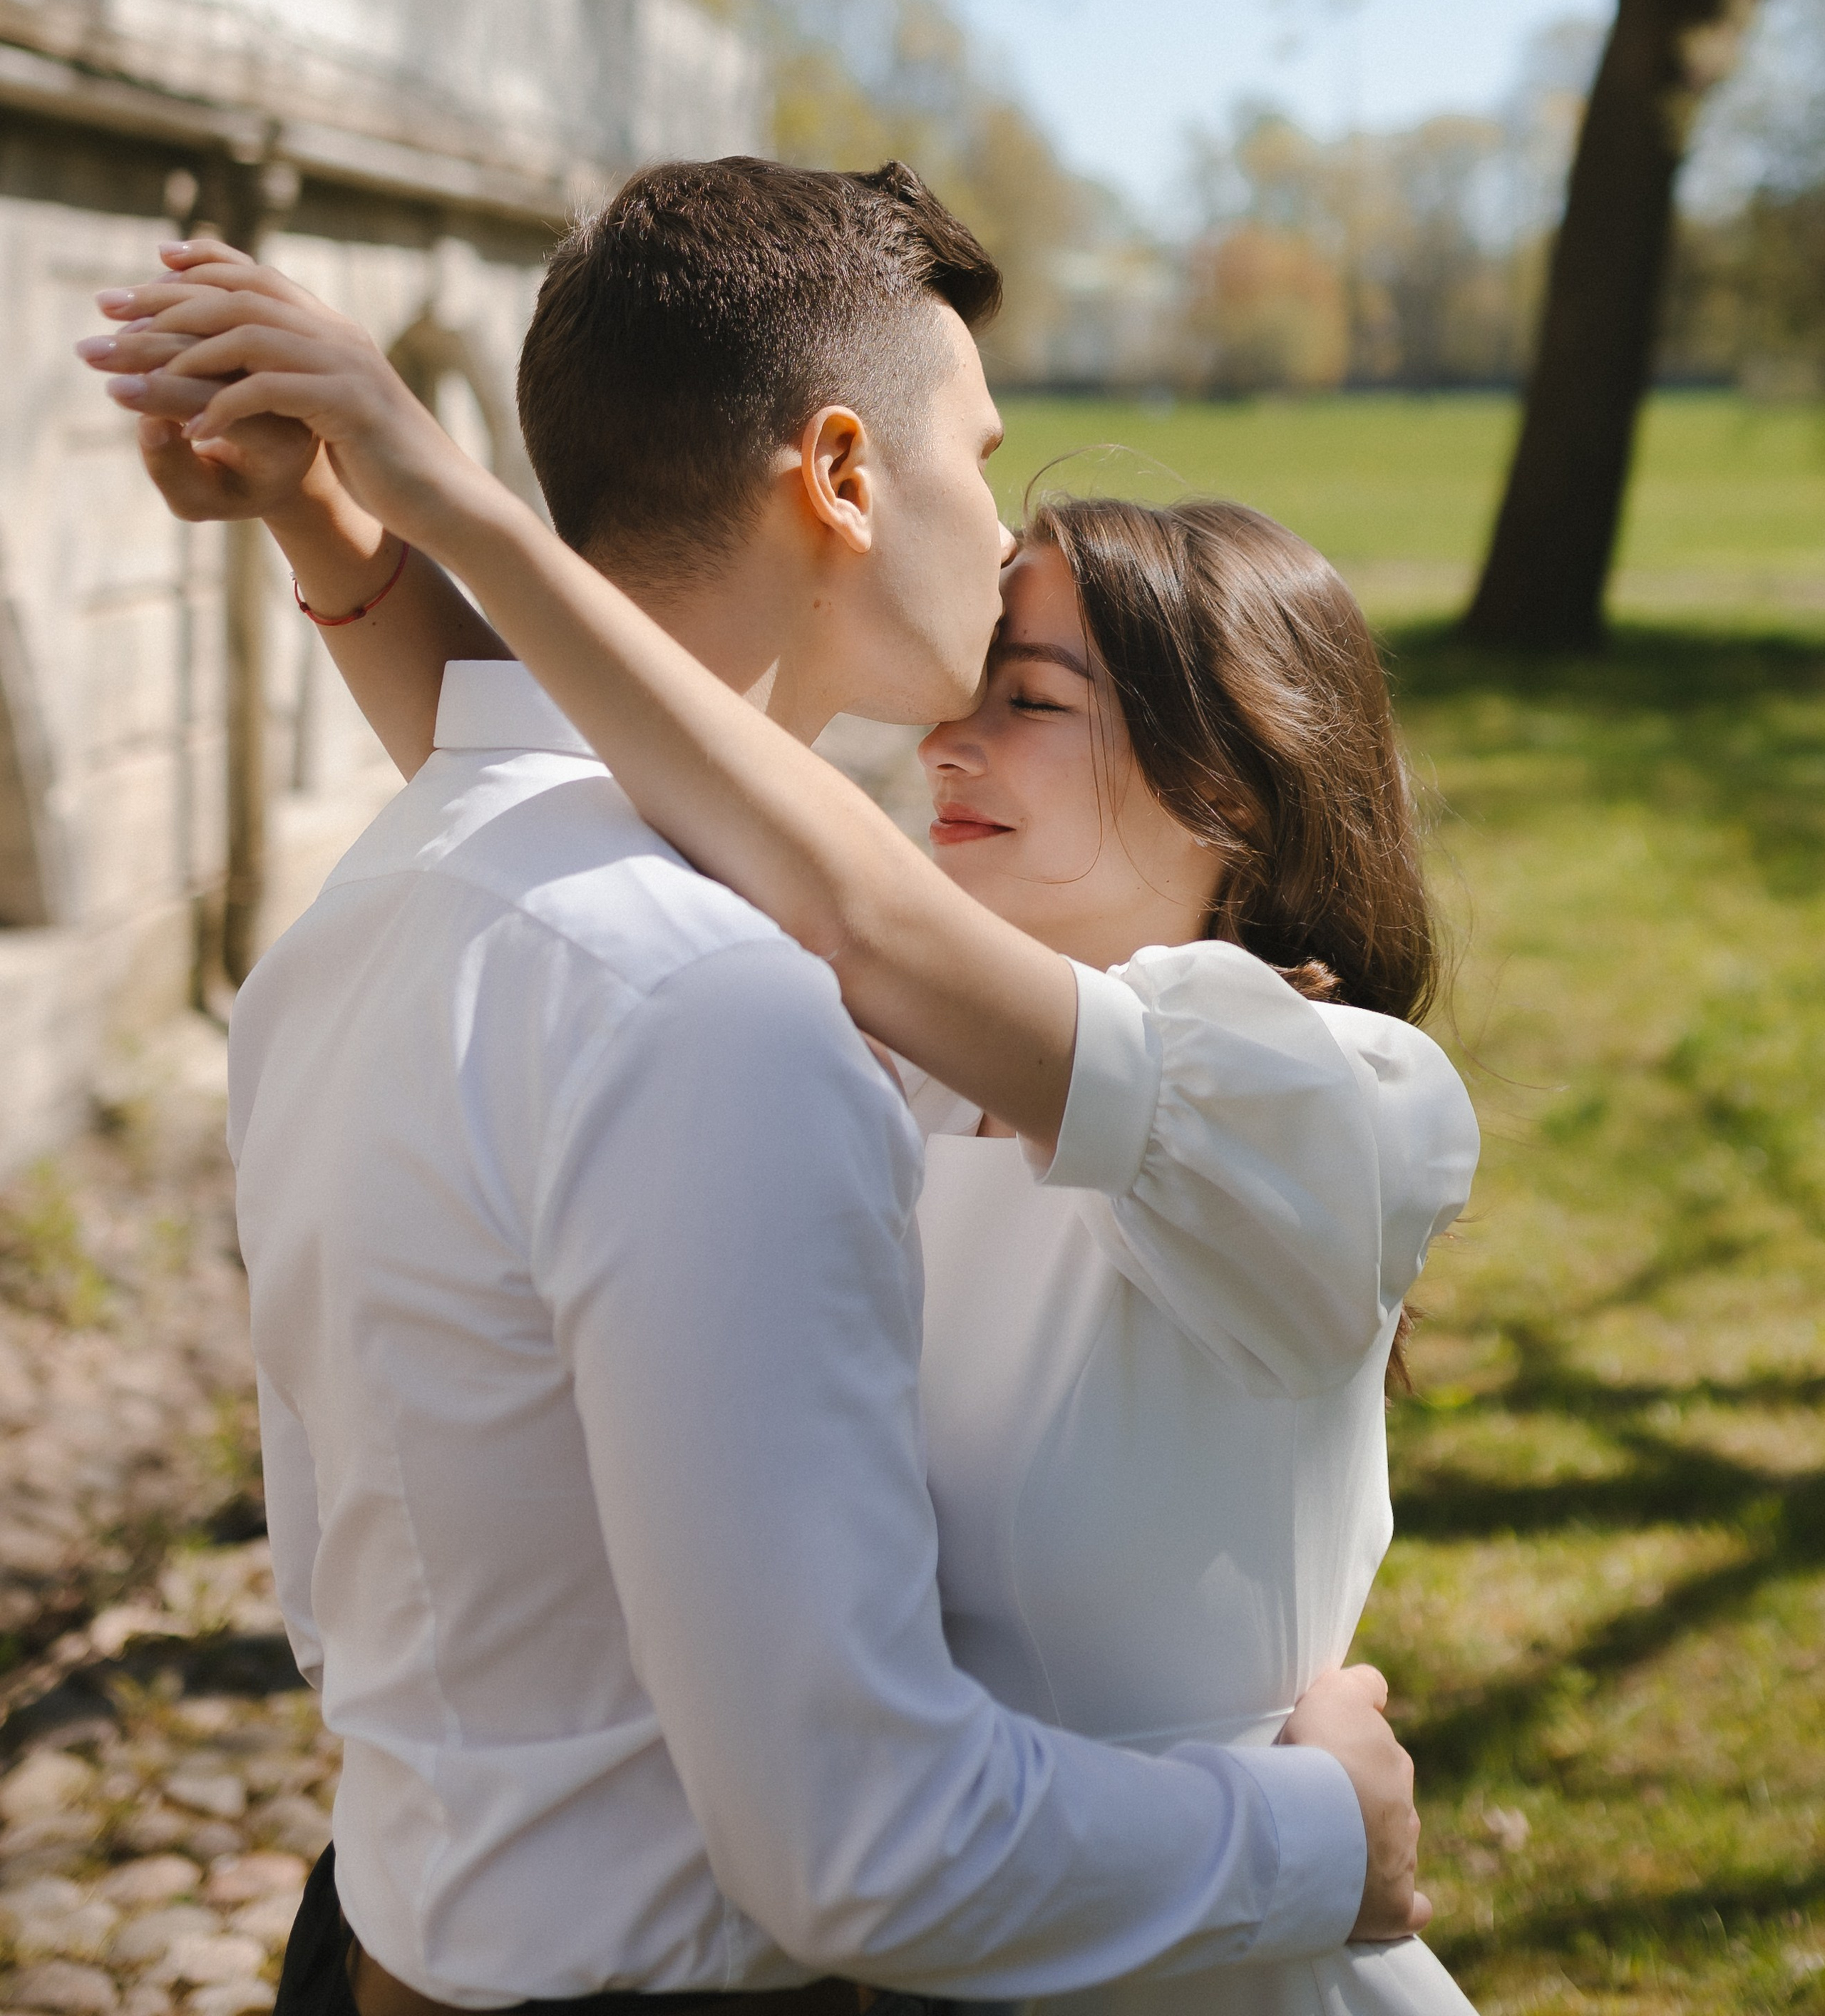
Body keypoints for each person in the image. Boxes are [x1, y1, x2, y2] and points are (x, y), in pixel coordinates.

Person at [81, 161, 1444, 2016]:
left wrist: (430, 507)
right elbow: (656, 878)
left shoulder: (1326, 1097)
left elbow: (792, 903)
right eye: (976, 449)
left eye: (1035, 703)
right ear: (842, 475)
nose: (955, 728)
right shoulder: (752, 1007)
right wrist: (356, 530)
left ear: (1240, 788)